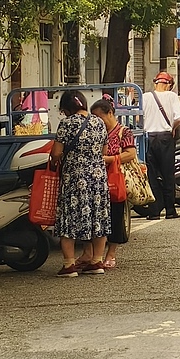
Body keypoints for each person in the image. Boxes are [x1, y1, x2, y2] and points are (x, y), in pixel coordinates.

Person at [50, 89, 111, 277]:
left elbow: (56, 153)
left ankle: (69, 265)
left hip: (74, 179)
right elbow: (104, 151)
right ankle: (96, 261)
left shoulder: (66, 124)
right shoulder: (99, 123)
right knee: (98, 217)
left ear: (67, 108)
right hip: (97, 179)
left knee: (69, 218)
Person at [90, 96, 138, 270]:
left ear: (110, 113)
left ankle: (111, 254)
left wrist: (109, 159)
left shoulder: (123, 132)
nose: (97, 121)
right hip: (97, 181)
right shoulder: (95, 133)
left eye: (99, 117)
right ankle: (92, 255)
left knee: (115, 216)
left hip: (116, 180)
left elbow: (130, 154)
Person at [141, 71, 180, 220]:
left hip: (149, 138)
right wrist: (172, 128)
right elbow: (179, 118)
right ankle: (170, 211)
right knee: (167, 175)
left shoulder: (145, 97)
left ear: (155, 83)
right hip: (165, 138)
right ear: (168, 85)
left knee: (151, 176)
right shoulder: (171, 96)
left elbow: (138, 117)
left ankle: (154, 212)